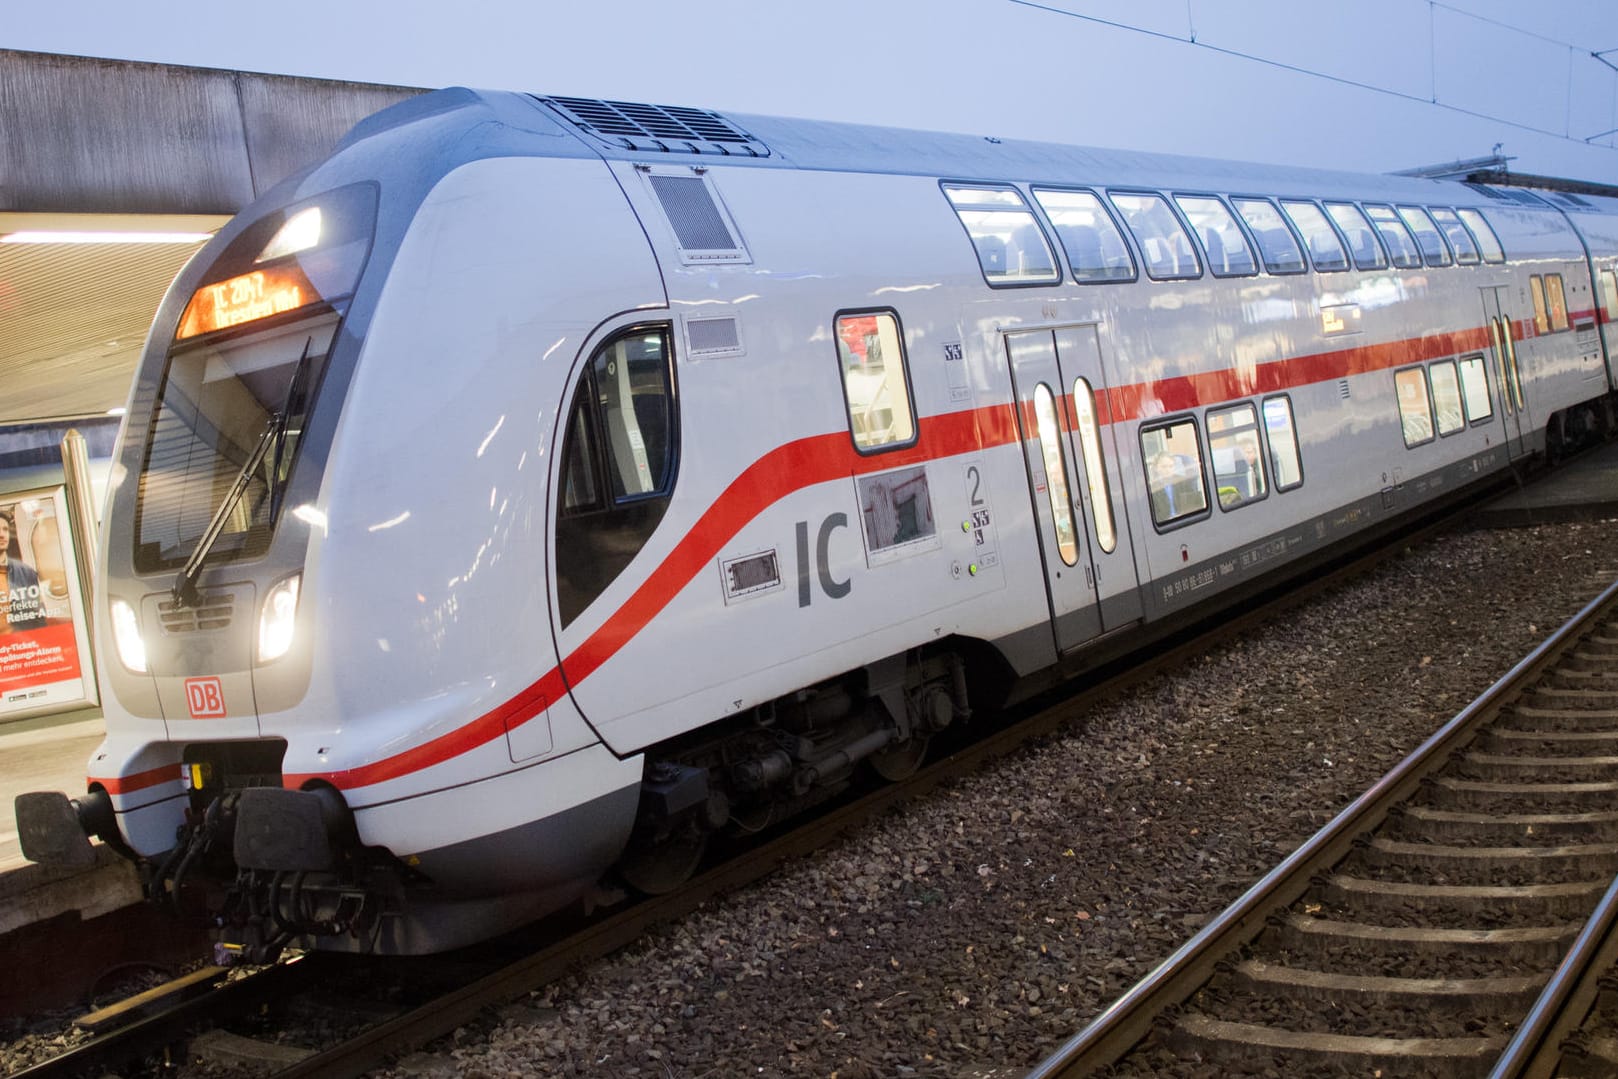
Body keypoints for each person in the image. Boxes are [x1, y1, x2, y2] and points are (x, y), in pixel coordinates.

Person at [0, 513, 48, 632]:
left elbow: (38, 615)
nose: (2, 535)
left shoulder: (25, 572)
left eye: (5, 530)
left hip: (22, 644)